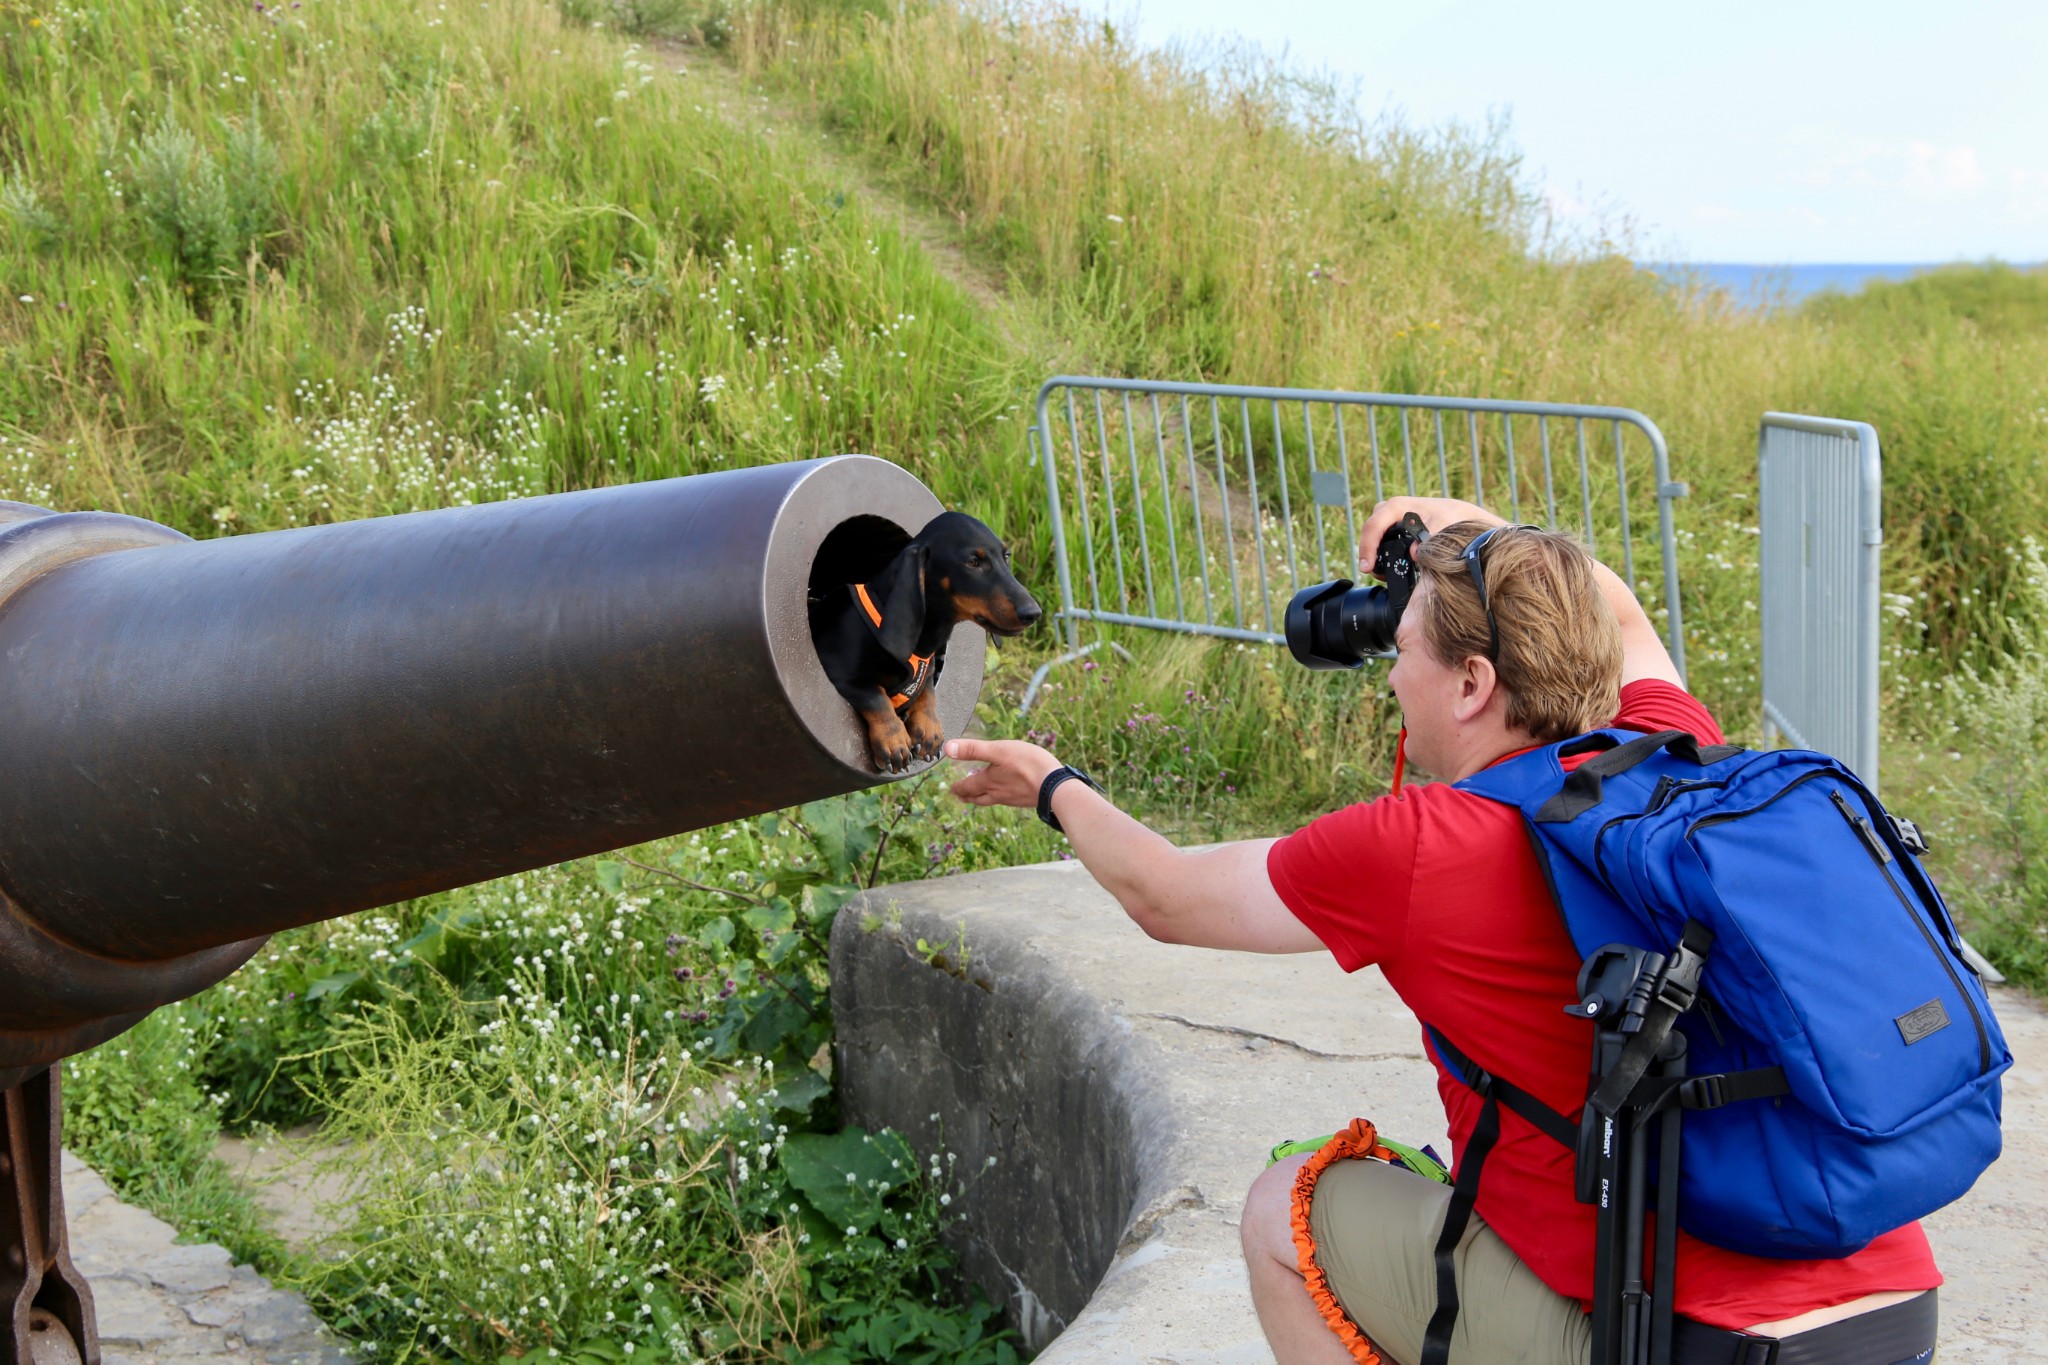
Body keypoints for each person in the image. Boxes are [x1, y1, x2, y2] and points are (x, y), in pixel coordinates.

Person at [940, 496, 1941, 1365]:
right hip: (1892, 1315)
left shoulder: (1424, 843)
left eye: (1402, 648)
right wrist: (1462, 534)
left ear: (1469, 684)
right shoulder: (1666, 741)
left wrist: (1050, 785)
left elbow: (1163, 895)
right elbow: (1618, 607)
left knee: (1282, 1208)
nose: (1386, 675)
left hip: (1673, 1345)